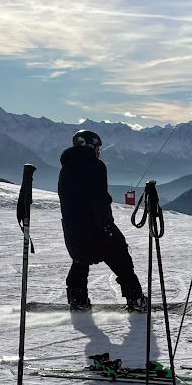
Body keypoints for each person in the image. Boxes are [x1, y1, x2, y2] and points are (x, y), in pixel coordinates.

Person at [58, 129, 145, 311]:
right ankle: (135, 299)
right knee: (121, 256)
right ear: (92, 146)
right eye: (98, 147)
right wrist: (106, 225)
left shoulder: (65, 168)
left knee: (80, 259)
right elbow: (97, 198)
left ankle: (77, 298)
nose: (99, 151)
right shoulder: (95, 165)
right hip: (95, 226)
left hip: (72, 228)